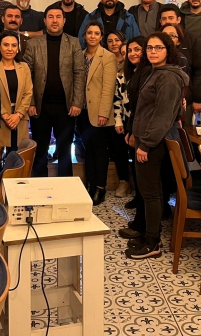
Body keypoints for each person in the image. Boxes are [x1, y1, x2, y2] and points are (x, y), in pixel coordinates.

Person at [126, 32, 187, 259]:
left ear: (168, 50)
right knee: (149, 190)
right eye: (150, 48)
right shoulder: (156, 72)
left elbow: (162, 116)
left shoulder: (168, 77)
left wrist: (146, 144)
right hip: (145, 138)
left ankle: (153, 243)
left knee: (150, 193)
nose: (153, 51)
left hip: (153, 142)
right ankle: (149, 234)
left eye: (158, 48)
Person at [23, 4, 85, 177]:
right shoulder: (33, 44)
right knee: (40, 149)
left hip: (66, 107)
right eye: (51, 17)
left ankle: (65, 186)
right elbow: (27, 74)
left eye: (58, 17)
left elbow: (79, 73)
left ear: (64, 21)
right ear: (45, 21)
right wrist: (31, 102)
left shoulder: (73, 43)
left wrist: (77, 102)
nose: (54, 20)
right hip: (40, 107)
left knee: (65, 149)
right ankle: (40, 185)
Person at [77, 21, 116, 206]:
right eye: (89, 33)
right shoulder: (80, 55)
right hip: (82, 111)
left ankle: (100, 187)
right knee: (88, 150)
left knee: (100, 151)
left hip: (100, 112)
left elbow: (108, 88)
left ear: (101, 37)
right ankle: (90, 185)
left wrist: (104, 113)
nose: (92, 36)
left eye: (96, 33)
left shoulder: (108, 57)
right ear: (85, 35)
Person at [112, 36, 145, 208]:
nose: (132, 54)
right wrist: (119, 121)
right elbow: (117, 99)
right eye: (128, 51)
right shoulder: (123, 75)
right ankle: (138, 197)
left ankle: (145, 200)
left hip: (143, 125)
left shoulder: (149, 73)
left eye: (136, 50)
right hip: (127, 122)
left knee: (143, 165)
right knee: (134, 161)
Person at [160, 4, 201, 118]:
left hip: (186, 98)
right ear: (160, 21)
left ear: (178, 19)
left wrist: (198, 99)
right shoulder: (154, 40)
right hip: (161, 98)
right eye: (164, 19)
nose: (167, 21)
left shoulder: (192, 39)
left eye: (171, 18)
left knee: (183, 128)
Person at [0, 31, 33, 151]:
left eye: (14, 45)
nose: (10, 49)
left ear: (18, 48)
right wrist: (4, 115)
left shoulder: (24, 67)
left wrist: (18, 115)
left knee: (17, 155)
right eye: (6, 45)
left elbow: (28, 93)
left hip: (20, 119)